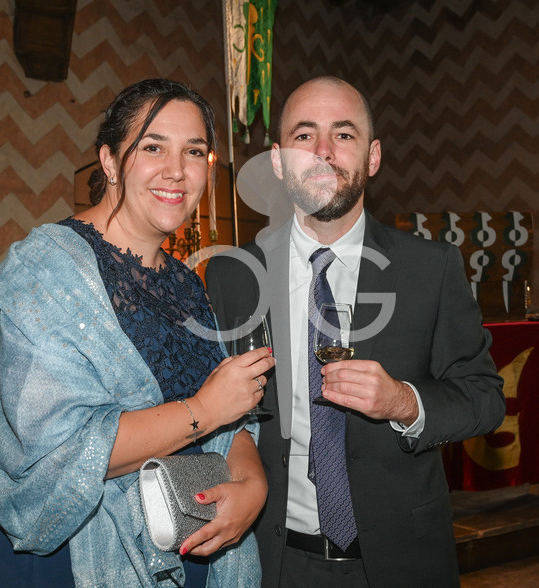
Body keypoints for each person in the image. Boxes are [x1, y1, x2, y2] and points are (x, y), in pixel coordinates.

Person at [0, 79, 274, 587]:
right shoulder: (46, 270)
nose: (177, 169)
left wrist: (252, 484)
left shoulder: (186, 284)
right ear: (109, 162)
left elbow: (232, 414)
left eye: (194, 151)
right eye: (153, 147)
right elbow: (55, 449)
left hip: (188, 537)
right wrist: (204, 409)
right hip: (77, 553)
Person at [205, 76, 506, 587]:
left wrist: (402, 403)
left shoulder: (429, 268)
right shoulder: (233, 276)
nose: (323, 150)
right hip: (272, 563)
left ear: (373, 157)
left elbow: (485, 398)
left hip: (403, 562)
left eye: (344, 134)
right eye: (304, 135)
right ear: (278, 161)